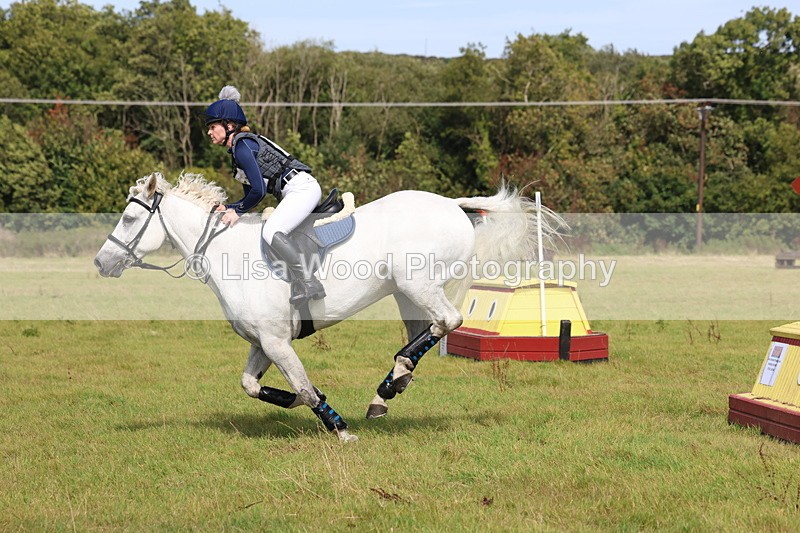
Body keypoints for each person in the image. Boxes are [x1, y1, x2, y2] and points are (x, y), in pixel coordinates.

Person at [203, 85, 325, 304]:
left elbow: (258, 192)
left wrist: (237, 210)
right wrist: (230, 207)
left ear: (229, 125)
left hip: (301, 188)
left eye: (213, 127)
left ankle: (309, 282)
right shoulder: (240, 149)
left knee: (272, 230)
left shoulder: (243, 147)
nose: (209, 133)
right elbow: (250, 196)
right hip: (295, 190)